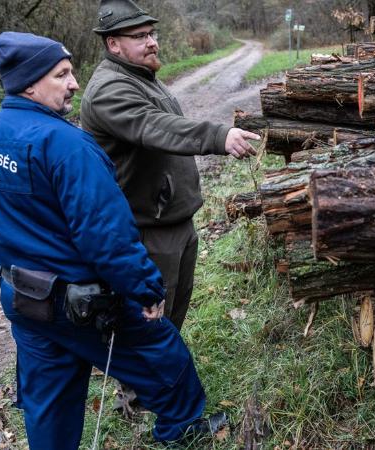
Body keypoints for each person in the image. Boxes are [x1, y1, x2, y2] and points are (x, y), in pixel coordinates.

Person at [0, 31, 226, 449]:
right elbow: (105, 234)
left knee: (47, 402)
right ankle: (184, 432)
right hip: (86, 305)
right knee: (167, 361)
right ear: (30, 83)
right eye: (62, 75)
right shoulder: (68, 146)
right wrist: (144, 287)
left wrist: (9, 282)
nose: (73, 84)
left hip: (26, 302)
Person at [81, 0, 260, 333]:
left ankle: (165, 380)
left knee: (172, 320)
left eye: (151, 33)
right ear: (113, 44)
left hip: (174, 222)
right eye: (139, 36)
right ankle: (138, 387)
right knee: (148, 329)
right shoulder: (109, 89)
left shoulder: (142, 75)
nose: (151, 42)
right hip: (147, 232)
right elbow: (156, 126)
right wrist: (217, 136)